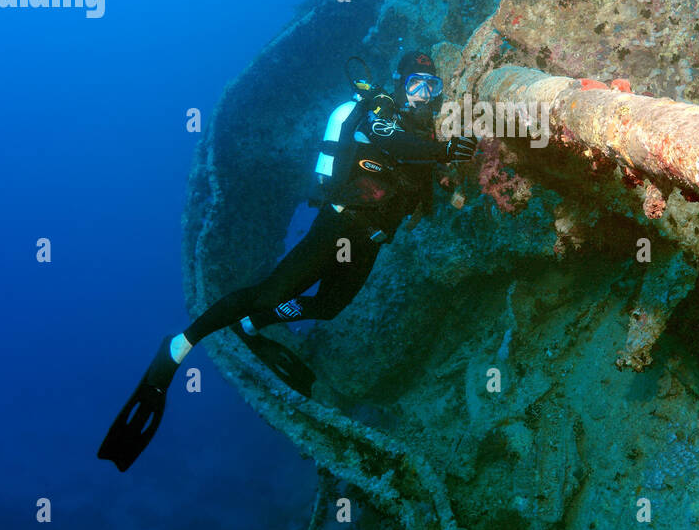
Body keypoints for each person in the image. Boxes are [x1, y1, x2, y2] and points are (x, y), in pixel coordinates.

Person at [98, 49, 479, 471]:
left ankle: (253, 324)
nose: (423, 95)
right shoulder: (380, 111)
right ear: (399, 83)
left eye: (432, 87)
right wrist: (444, 151)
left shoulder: (422, 131)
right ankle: (179, 345)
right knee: (271, 292)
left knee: (329, 307)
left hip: (369, 240)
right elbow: (388, 139)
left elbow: (418, 176)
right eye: (416, 85)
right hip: (337, 227)